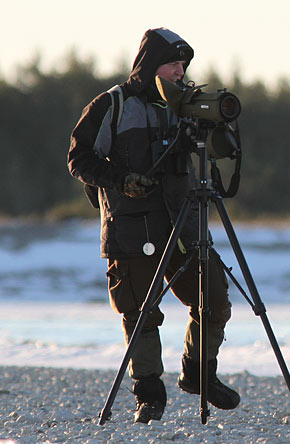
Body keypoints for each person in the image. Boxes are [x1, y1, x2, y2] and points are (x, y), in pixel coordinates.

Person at [67, 28, 240, 423]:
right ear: (150, 67)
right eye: (173, 65)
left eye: (184, 66)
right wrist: (122, 179)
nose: (180, 73)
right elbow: (78, 159)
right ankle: (149, 393)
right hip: (133, 228)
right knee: (140, 312)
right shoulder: (111, 105)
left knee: (213, 297)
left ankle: (199, 374)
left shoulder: (187, 106)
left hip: (184, 225)